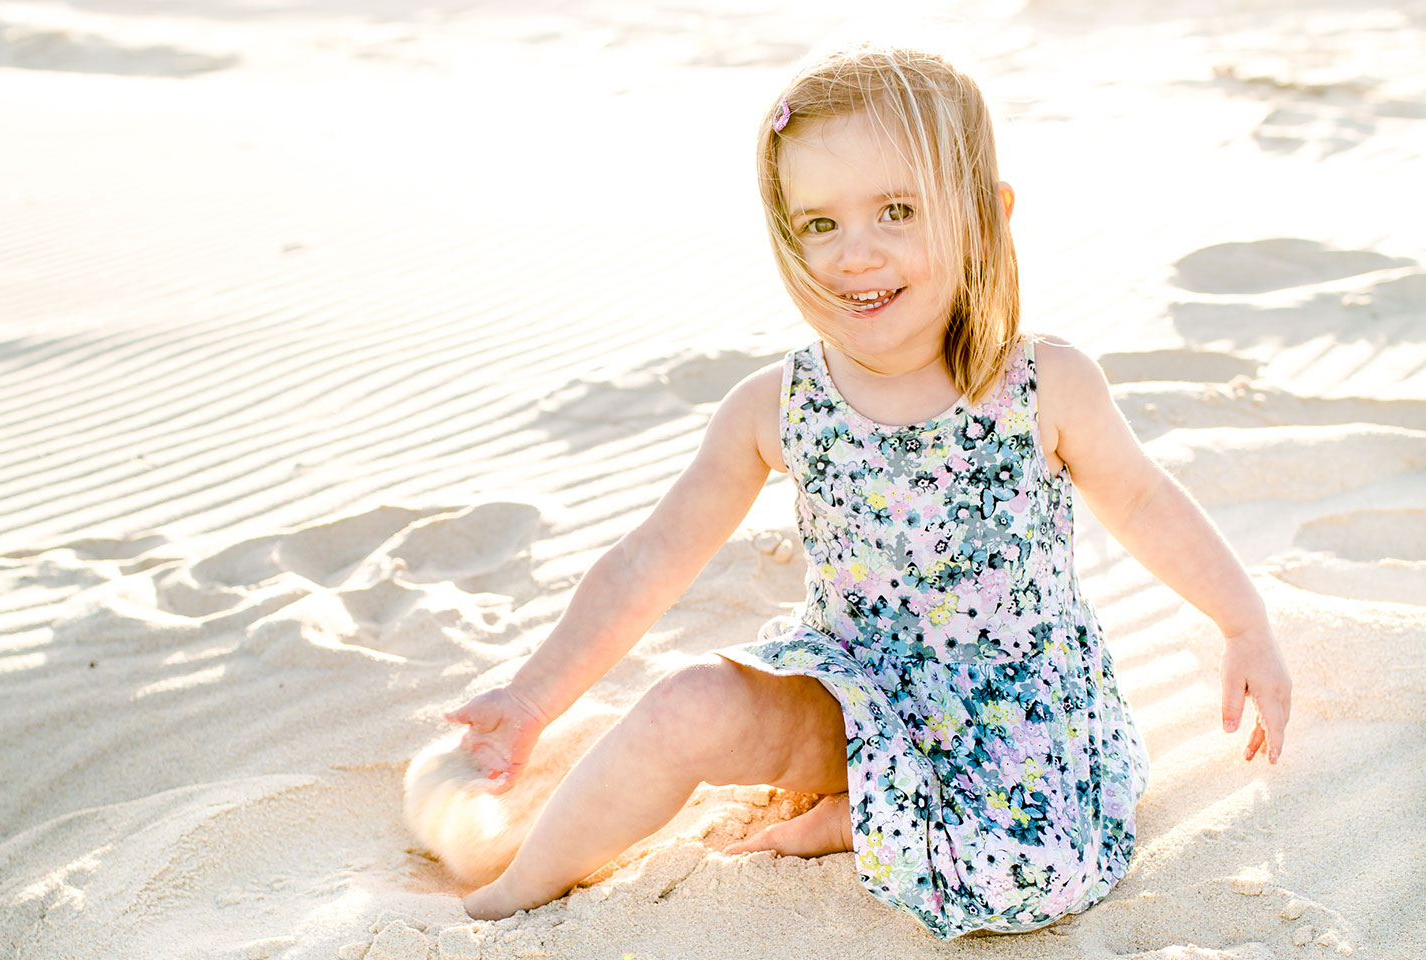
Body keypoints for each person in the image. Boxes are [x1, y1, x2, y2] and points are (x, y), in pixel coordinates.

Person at [444, 43, 1292, 937]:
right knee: (685, 705)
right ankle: (515, 889)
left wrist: (1245, 623)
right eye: (818, 224)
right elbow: (648, 560)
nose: (856, 253)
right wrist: (531, 700)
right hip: (851, 696)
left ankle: (862, 826)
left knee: (1029, 873)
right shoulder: (778, 405)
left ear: (986, 215)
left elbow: (1149, 505)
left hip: (1014, 729)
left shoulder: (1042, 385)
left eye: (896, 210)